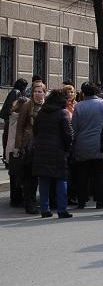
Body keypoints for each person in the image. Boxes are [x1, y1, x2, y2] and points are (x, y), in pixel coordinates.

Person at [31, 89, 74, 218]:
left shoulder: (41, 113)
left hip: (41, 150)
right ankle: (62, 209)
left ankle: (45, 209)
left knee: (44, 180)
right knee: (61, 179)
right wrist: (67, 148)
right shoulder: (63, 113)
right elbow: (68, 134)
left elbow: (35, 130)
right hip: (58, 151)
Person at [72, 82, 103, 209]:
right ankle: (100, 201)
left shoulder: (78, 106)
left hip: (82, 144)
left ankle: (82, 201)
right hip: (99, 144)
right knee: (99, 174)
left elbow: (74, 127)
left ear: (83, 92)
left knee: (82, 174)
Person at [15, 81, 46, 214]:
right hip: (29, 145)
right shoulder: (27, 106)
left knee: (43, 176)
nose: (37, 94)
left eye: (40, 91)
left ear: (44, 93)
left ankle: (43, 203)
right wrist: (18, 146)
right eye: (35, 91)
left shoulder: (47, 106)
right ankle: (30, 203)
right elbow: (20, 127)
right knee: (30, 178)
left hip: (44, 145)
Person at [6, 97, 29, 207]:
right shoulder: (21, 118)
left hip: (10, 148)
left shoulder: (11, 117)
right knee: (20, 174)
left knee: (13, 174)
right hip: (17, 148)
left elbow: (5, 135)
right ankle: (18, 198)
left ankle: (14, 198)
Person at [1, 78, 28, 165]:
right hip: (11, 118)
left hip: (9, 117)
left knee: (8, 137)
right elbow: (15, 106)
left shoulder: (14, 91)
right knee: (10, 138)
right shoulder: (17, 92)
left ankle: (6, 157)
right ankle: (8, 158)